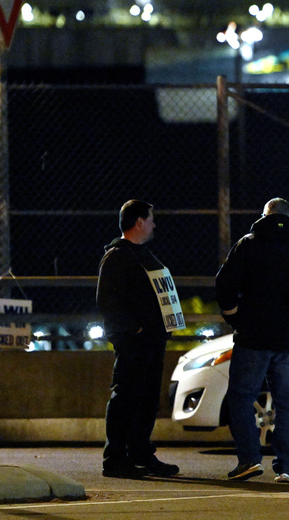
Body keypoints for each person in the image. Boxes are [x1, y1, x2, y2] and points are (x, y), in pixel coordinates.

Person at [216, 197, 289, 482]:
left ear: (264, 215)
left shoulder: (248, 244)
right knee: (287, 401)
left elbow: (225, 284)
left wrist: (235, 317)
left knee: (241, 397)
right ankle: (286, 467)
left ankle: (250, 459)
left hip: (252, 337)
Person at [96, 199, 180, 478]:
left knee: (146, 399)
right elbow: (107, 301)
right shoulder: (118, 256)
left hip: (151, 341)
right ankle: (116, 458)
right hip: (134, 342)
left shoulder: (142, 255)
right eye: (151, 219)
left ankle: (140, 453)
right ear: (139, 222)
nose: (155, 224)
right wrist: (136, 329)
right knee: (126, 397)